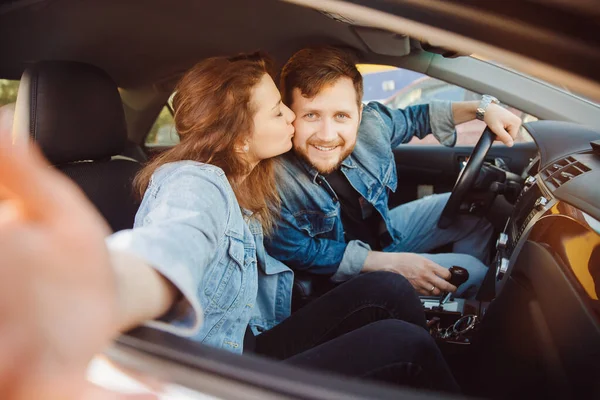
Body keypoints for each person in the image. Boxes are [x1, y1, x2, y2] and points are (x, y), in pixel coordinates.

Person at [0, 53, 459, 399]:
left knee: (390, 289)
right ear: (240, 134)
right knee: (406, 345)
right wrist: (103, 293)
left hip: (253, 339)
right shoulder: (196, 182)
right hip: (219, 374)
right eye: (279, 109)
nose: (292, 119)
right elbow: (175, 240)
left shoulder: (252, 181)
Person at [265, 46, 523, 298]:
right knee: (476, 271)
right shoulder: (272, 176)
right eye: (311, 115)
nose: (327, 135)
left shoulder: (372, 124)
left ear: (360, 113)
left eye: (341, 116)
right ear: (289, 115)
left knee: (474, 210)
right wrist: (390, 264)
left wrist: (483, 108)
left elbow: (417, 117)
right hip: (341, 273)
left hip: (383, 235)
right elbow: (298, 251)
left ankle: (447, 305)